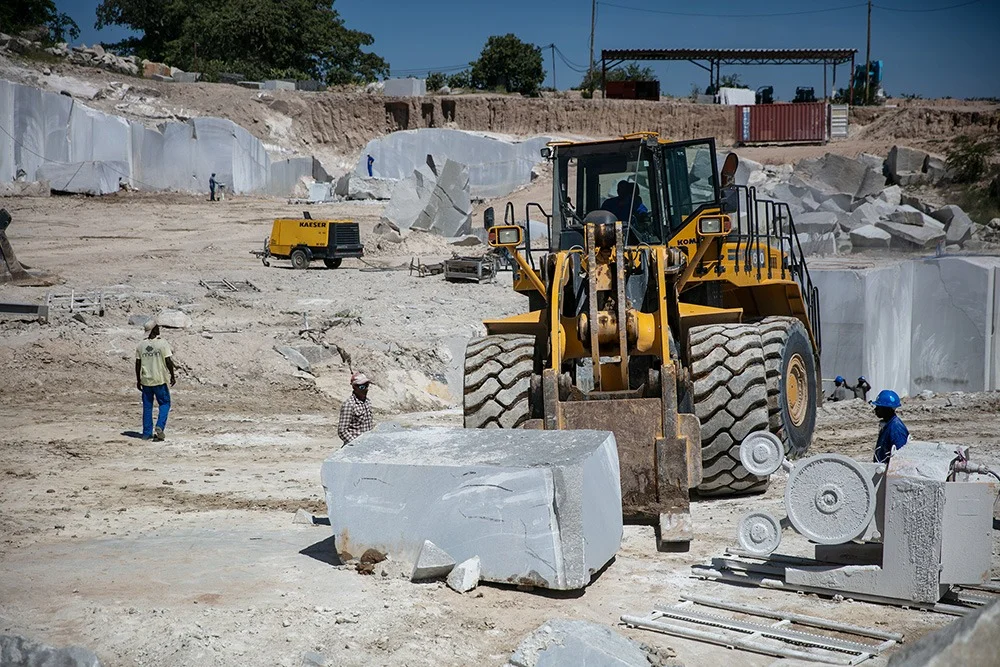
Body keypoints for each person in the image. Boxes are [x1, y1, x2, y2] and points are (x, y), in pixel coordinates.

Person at [135, 320, 176, 441]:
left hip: (146, 380)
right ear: (154, 329)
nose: (159, 329)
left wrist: (138, 379)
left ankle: (146, 433)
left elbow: (138, 364)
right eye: (157, 327)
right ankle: (159, 426)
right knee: (164, 404)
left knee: (147, 406)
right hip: (159, 379)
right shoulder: (162, 343)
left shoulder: (141, 345)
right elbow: (168, 361)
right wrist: (172, 375)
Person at [871, 389, 909, 464]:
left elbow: (901, 455)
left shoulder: (896, 428)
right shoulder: (888, 424)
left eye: (878, 407)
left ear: (886, 409)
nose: (875, 409)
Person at [338, 372, 374, 444]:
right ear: (354, 387)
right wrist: (356, 443)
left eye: (367, 385)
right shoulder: (349, 405)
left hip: (368, 443)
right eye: (362, 387)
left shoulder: (367, 402)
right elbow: (342, 431)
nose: (366, 389)